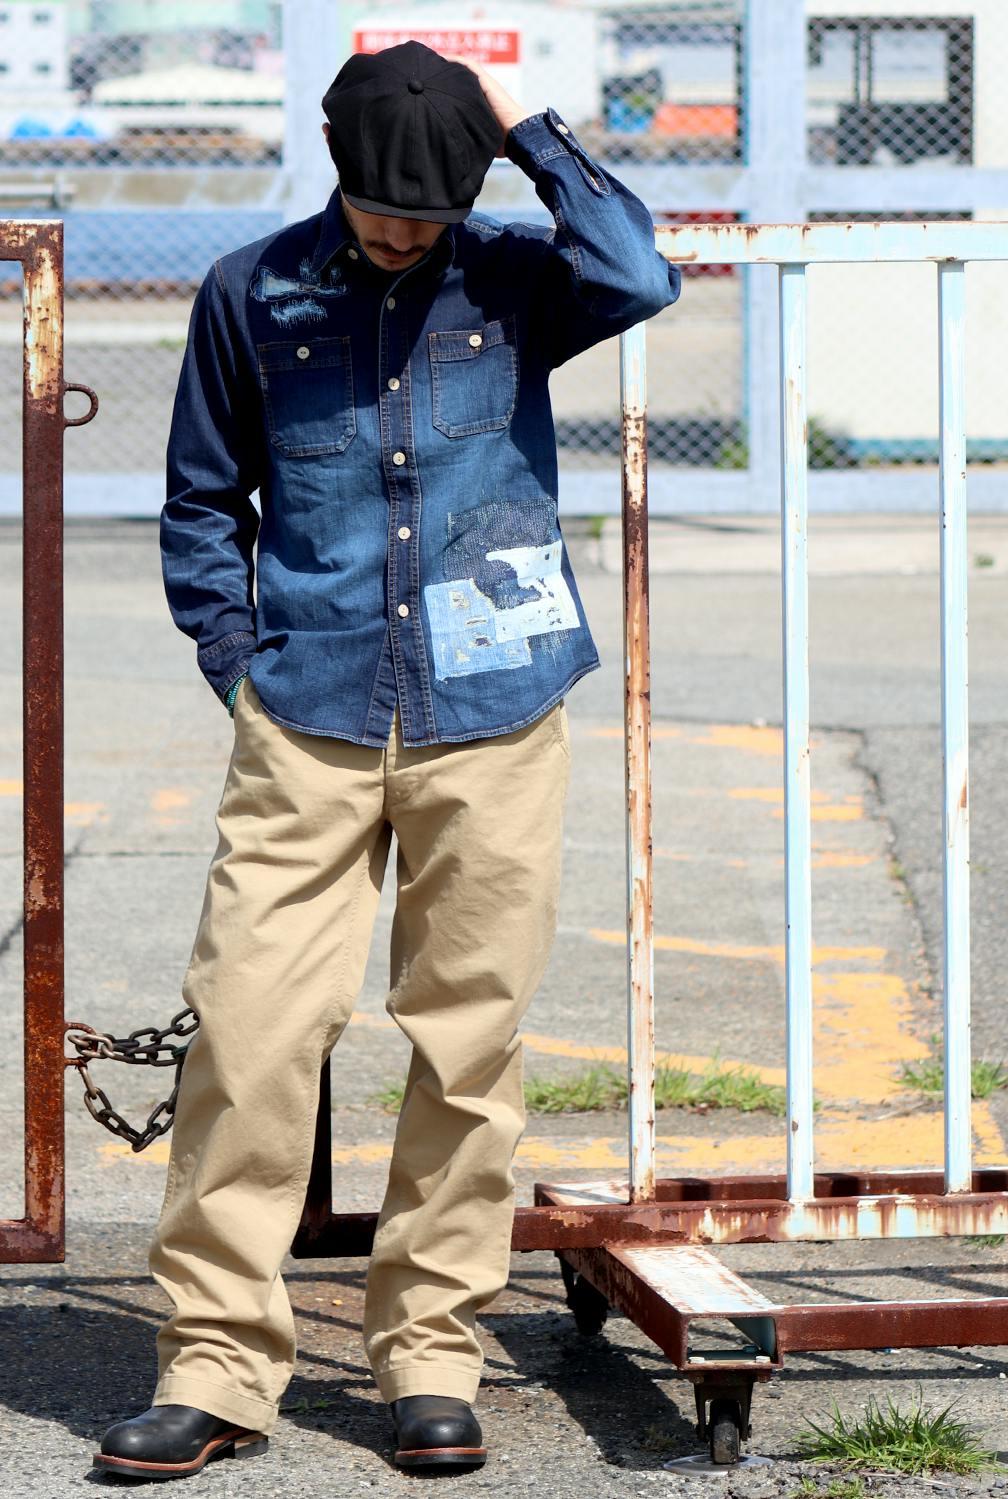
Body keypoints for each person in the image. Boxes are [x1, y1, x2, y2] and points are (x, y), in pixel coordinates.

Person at [93, 40, 681, 1481]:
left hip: (497, 712)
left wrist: (527, 130)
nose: (403, 235)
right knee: (248, 1032)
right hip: (308, 713)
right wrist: (238, 664)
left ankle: (429, 1353)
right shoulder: (252, 291)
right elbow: (200, 499)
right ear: (338, 171)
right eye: (381, 209)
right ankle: (216, 1365)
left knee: (468, 1045)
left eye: (428, 213)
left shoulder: (514, 280)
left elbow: (638, 269)